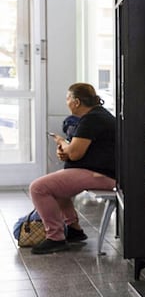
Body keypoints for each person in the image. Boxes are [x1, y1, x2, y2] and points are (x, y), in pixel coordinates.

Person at [29, 83, 116, 254]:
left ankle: (55, 238)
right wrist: (67, 151)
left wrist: (63, 144)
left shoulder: (92, 119)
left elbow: (75, 153)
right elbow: (78, 149)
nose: (66, 102)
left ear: (76, 102)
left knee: (38, 188)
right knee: (57, 189)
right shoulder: (96, 116)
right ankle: (74, 229)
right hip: (97, 171)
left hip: (101, 174)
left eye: (67, 98)